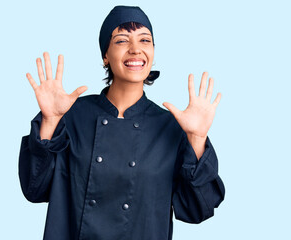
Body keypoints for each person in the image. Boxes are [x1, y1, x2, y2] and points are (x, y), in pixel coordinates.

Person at [19, 5, 225, 240]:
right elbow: (34, 189)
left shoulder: (172, 128)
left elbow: (198, 209)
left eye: (145, 40)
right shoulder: (71, 115)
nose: (136, 49)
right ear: (105, 55)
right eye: (121, 41)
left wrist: (197, 139)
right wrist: (49, 121)